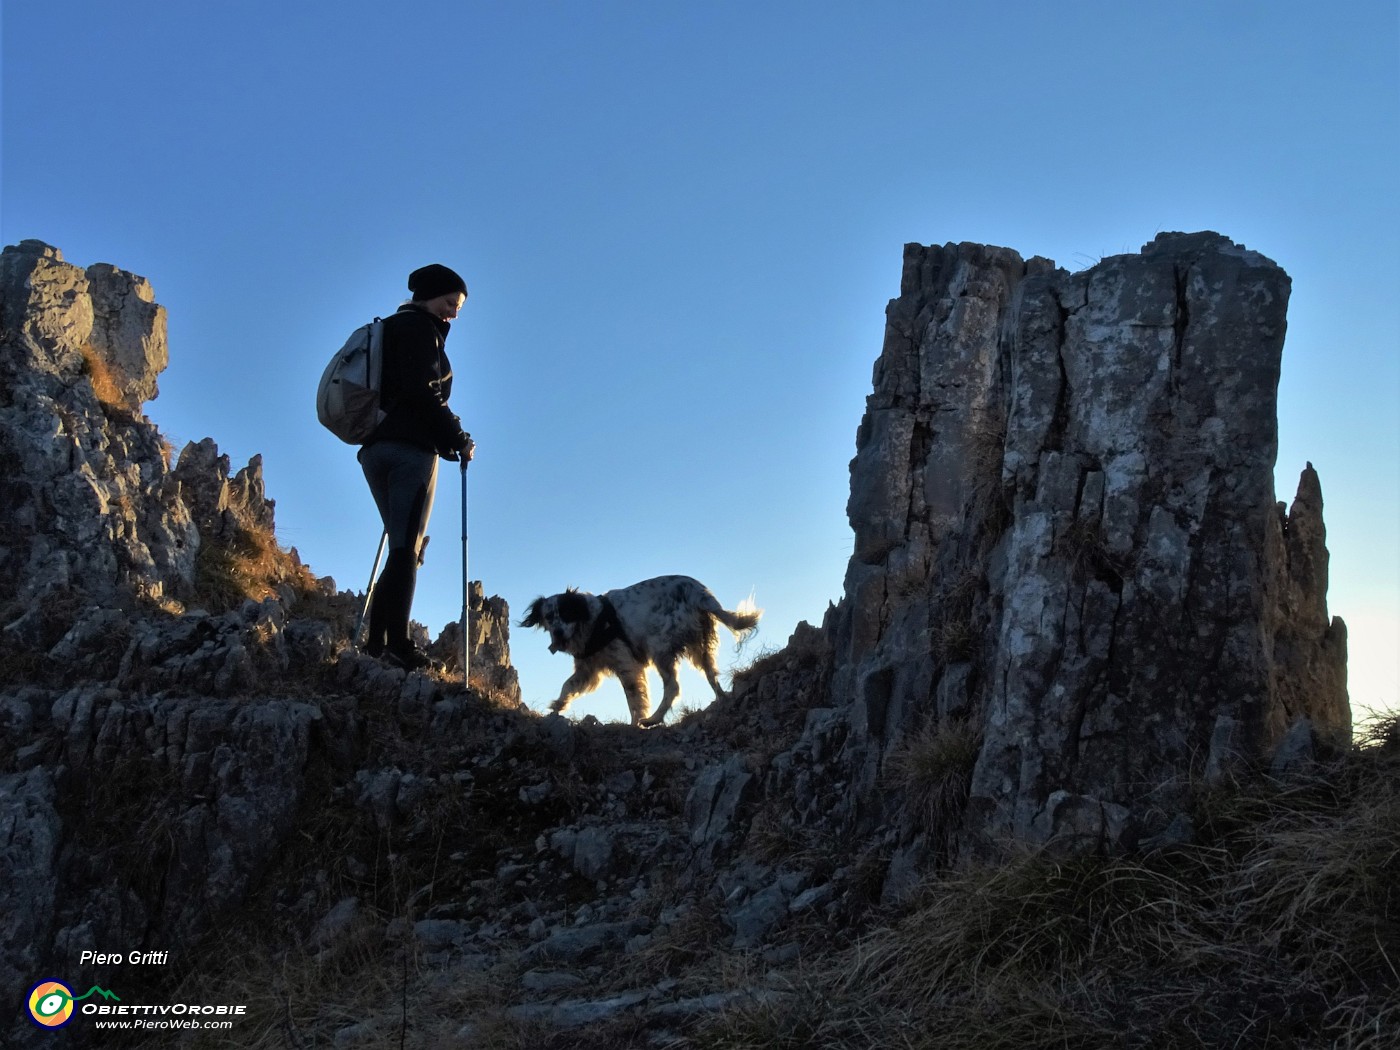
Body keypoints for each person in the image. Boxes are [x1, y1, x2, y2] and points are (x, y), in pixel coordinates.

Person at [358, 263, 474, 669]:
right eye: (450, 303)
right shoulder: (421, 330)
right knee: (408, 548)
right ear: (429, 296)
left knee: (399, 544)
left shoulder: (387, 328)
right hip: (410, 451)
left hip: (374, 449)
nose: (454, 313)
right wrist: (457, 438)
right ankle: (398, 646)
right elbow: (424, 393)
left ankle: (375, 642)